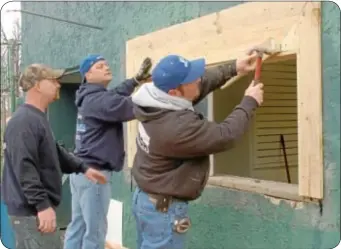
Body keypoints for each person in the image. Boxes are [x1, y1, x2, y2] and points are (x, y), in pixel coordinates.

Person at [130, 53, 264, 249]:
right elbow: (225, 135)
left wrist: (234, 67)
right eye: (193, 79)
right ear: (175, 92)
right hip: (163, 211)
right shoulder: (175, 128)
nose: (199, 80)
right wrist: (249, 102)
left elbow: (197, 88)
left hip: (147, 200)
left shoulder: (156, 98)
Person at [1, 64, 108, 249]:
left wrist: (83, 168)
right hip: (30, 214)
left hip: (34, 213)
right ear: (37, 85)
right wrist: (42, 206)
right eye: (53, 80)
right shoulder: (24, 121)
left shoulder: (37, 117)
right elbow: (25, 168)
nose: (58, 85)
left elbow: (55, 152)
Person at [63, 55, 152, 249]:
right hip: (94, 175)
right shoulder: (99, 100)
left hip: (81, 172)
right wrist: (160, 88)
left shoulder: (91, 95)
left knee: (78, 227)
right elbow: (128, 107)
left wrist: (135, 81)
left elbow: (116, 93)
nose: (107, 68)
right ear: (88, 74)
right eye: (100, 66)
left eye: (107, 64)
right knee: (94, 233)